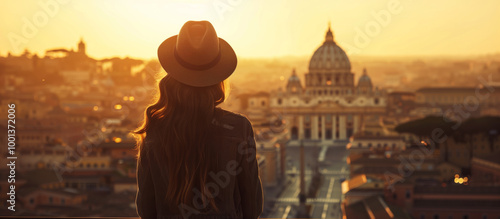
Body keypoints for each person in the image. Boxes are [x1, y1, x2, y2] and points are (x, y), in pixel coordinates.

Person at [132, 20, 263, 219]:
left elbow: (146, 208)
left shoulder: (155, 129)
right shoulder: (239, 128)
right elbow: (252, 205)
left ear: (172, 76)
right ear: (219, 79)